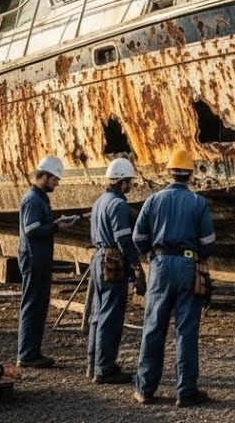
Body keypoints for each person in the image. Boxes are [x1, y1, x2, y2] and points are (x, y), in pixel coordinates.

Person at [131, 150, 216, 408]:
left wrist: (153, 256)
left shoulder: (153, 200)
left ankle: (145, 390)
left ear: (169, 173)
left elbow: (137, 237)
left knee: (153, 328)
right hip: (188, 265)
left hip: (159, 266)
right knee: (186, 331)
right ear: (190, 175)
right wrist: (197, 257)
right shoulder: (198, 203)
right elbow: (208, 241)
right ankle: (186, 392)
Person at [87, 157, 146, 384]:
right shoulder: (119, 205)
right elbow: (123, 239)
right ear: (121, 182)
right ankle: (105, 368)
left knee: (98, 314)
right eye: (129, 181)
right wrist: (136, 266)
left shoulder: (99, 201)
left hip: (98, 258)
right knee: (111, 316)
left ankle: (93, 365)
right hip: (112, 261)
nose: (130, 186)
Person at [17, 155, 77, 368]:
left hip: (39, 258)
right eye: (54, 180)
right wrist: (56, 227)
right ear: (43, 176)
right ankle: (26, 354)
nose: (56, 184)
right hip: (34, 258)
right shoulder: (33, 199)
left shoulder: (41, 198)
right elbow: (32, 230)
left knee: (39, 305)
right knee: (32, 305)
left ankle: (32, 351)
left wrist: (55, 223)